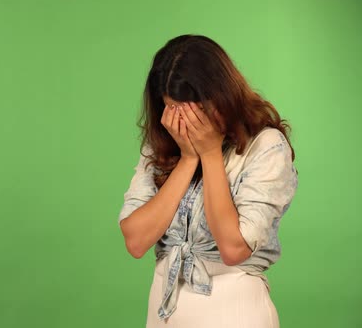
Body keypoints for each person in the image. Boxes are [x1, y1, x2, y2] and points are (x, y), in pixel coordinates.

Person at [117, 34, 299, 328]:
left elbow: (233, 248)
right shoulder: (162, 145)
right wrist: (188, 160)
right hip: (164, 310)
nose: (186, 123)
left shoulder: (266, 146)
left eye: (196, 111)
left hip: (234, 309)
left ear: (222, 96)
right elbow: (136, 241)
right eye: (174, 109)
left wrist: (210, 153)